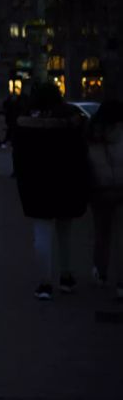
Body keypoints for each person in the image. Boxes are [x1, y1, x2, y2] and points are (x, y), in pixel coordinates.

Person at [12, 81, 89, 300]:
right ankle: (66, 276)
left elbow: (18, 155)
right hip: (66, 182)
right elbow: (81, 151)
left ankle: (45, 283)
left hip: (37, 183)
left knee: (42, 234)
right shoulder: (71, 117)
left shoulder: (26, 118)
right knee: (65, 232)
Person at [86, 99, 123, 300]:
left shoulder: (92, 132)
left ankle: (101, 272)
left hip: (99, 189)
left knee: (102, 235)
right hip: (121, 189)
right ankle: (121, 283)